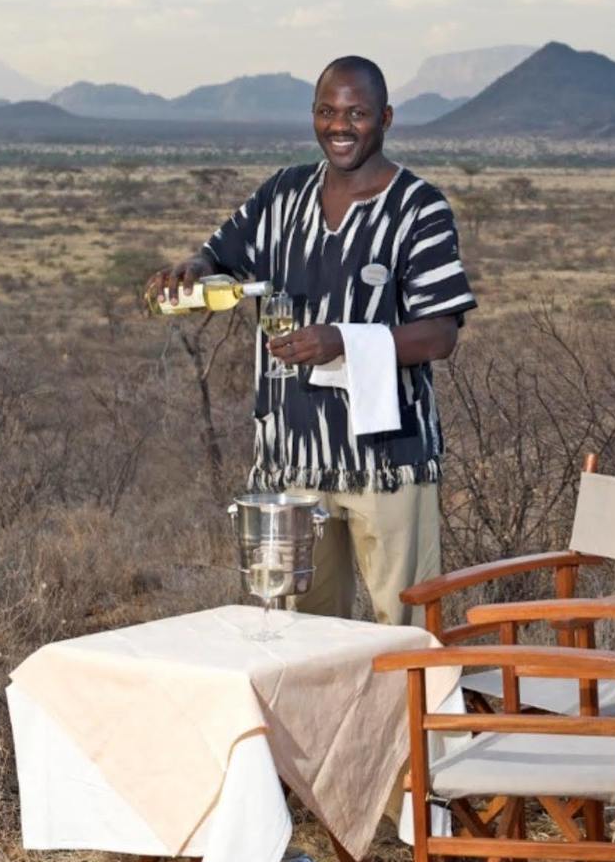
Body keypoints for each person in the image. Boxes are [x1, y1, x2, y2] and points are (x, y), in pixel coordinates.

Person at [148, 55, 475, 625]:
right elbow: (218, 255)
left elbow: (440, 334)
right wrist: (193, 267)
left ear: (387, 118)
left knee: (407, 632)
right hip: (291, 457)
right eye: (327, 111)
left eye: (356, 112)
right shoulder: (282, 193)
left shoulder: (419, 209)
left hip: (387, 458)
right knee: (300, 632)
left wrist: (342, 341)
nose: (339, 125)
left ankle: (417, 719)